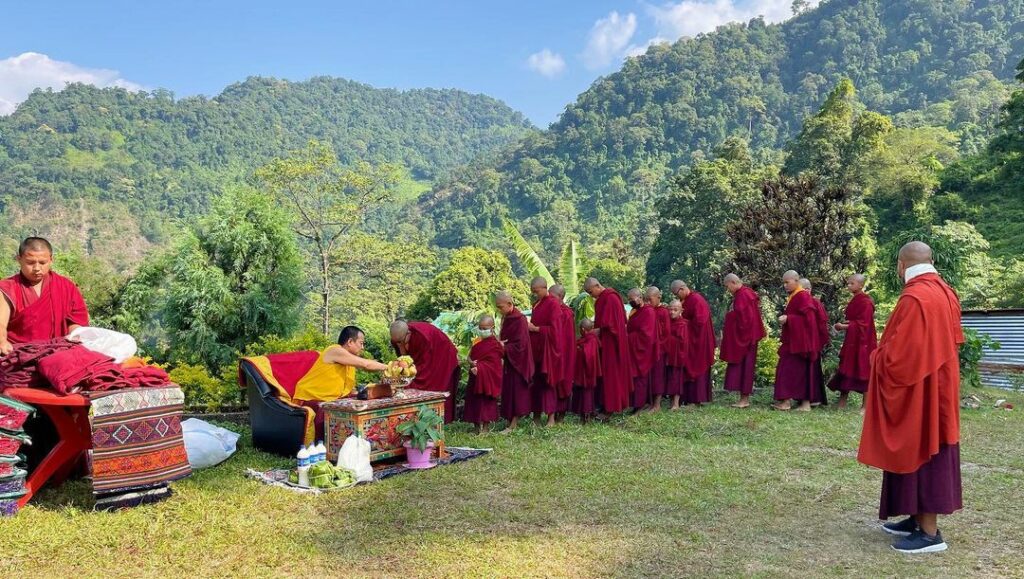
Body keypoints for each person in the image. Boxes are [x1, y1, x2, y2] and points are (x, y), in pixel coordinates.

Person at [859, 242, 964, 554]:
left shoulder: (916, 297)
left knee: (923, 446)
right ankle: (916, 518)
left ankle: (930, 534)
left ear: (901, 266)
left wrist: (877, 357)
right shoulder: (944, 291)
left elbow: (902, 359)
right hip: (936, 384)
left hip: (922, 389)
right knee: (918, 445)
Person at [243, 325, 387, 441]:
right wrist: (389, 367)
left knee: (359, 406)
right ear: (350, 342)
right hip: (309, 398)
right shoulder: (335, 350)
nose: (363, 348)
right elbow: (366, 365)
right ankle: (328, 446)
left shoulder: (348, 362)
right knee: (328, 411)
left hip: (330, 399)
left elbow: (344, 388)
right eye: (361, 343)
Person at [0, 237, 89, 353]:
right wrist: (2, 341)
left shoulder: (65, 286)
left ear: (51, 260)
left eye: (42, 263)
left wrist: (76, 336)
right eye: (30, 262)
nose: (37, 268)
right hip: (20, 352)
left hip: (58, 351)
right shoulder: (8, 287)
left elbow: (75, 321)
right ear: (19, 259)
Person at [390, 319, 461, 423]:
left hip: (442, 353)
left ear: (409, 333)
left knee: (431, 383)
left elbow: (422, 365)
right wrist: (401, 346)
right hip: (426, 355)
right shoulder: (398, 337)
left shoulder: (422, 337)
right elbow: (404, 358)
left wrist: (411, 372)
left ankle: (438, 418)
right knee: (409, 378)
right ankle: (414, 417)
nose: (398, 344)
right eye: (396, 342)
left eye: (401, 341)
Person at [772, 270, 825, 411]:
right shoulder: (795, 296)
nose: (785, 285)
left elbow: (809, 321)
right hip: (797, 341)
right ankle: (804, 404)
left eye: (787, 282)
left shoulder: (802, 296)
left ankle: (787, 402)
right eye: (783, 282)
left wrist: (789, 319)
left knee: (786, 370)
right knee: (800, 372)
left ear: (796, 280)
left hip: (801, 343)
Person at [829, 274, 877, 409]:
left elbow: (864, 324)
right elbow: (855, 320)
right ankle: (842, 402)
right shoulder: (855, 299)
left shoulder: (866, 301)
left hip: (864, 342)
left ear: (861, 285)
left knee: (865, 370)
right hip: (852, 340)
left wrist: (844, 326)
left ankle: (865, 406)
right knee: (846, 368)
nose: (849, 286)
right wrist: (847, 324)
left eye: (852, 283)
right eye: (848, 283)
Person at [584, 277, 630, 415]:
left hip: (612, 341)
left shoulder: (611, 297)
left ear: (598, 286)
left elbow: (613, 323)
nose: (591, 296)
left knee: (611, 374)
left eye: (591, 292)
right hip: (604, 341)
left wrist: (598, 330)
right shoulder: (602, 299)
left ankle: (611, 408)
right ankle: (604, 404)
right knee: (605, 375)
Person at [720, 274, 766, 409]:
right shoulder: (745, 293)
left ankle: (744, 400)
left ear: (733, 282)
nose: (727, 289)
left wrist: (730, 317)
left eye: (727, 286)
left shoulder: (743, 295)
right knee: (745, 366)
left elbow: (745, 320)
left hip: (747, 338)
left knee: (746, 367)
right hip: (749, 336)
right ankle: (743, 398)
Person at [528, 277, 563, 426]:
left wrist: (535, 329)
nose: (535, 295)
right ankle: (536, 416)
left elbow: (556, 330)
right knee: (536, 384)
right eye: (533, 292)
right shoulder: (537, 304)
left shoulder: (553, 304)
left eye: (536, 291)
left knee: (549, 383)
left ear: (544, 288)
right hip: (536, 349)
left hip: (548, 350)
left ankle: (551, 418)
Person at [496, 292, 534, 433]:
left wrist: (504, 347)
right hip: (510, 361)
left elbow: (521, 345)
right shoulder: (507, 318)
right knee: (508, 391)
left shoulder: (519, 319)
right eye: (497, 308)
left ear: (510, 304)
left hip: (519, 362)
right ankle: (509, 420)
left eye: (501, 307)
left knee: (517, 392)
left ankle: (513, 424)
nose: (499, 310)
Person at [673, 281, 715, 407]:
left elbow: (700, 321)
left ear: (682, 289)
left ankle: (696, 399)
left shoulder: (697, 299)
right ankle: (688, 398)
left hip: (700, 341)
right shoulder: (687, 300)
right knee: (688, 366)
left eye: (676, 294)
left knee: (698, 366)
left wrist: (684, 323)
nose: (677, 297)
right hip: (691, 340)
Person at [464, 315, 504, 434]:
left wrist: (480, 367)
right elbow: (469, 357)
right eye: (480, 328)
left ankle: (485, 428)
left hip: (487, 378)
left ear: (492, 328)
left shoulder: (496, 345)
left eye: (485, 328)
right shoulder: (477, 342)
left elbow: (495, 364)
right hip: (475, 377)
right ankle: (476, 426)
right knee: (474, 401)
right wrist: (471, 362)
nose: (482, 331)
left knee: (486, 402)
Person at [626, 288, 657, 412]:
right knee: (634, 378)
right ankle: (634, 404)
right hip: (633, 350)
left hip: (642, 350)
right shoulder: (635, 311)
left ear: (640, 297)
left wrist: (628, 337)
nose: (630, 302)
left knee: (640, 378)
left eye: (632, 299)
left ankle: (640, 405)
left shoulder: (648, 311)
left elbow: (646, 334)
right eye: (629, 300)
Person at [800, 278, 830, 407]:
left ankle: (813, 399)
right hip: (807, 341)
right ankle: (814, 398)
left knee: (811, 369)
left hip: (811, 341)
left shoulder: (814, 303)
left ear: (808, 289)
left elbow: (821, 324)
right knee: (809, 370)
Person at [549, 284, 576, 421]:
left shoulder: (566, 313)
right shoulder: (550, 310)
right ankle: (551, 416)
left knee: (563, 382)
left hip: (563, 353)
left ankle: (560, 415)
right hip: (552, 353)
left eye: (552, 296)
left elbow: (565, 337)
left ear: (560, 297)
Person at [571, 318, 600, 423]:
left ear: (583, 329)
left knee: (587, 393)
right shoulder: (587, 339)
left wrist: (579, 348)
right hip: (584, 371)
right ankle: (584, 414)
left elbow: (589, 354)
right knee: (584, 392)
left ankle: (586, 416)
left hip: (588, 372)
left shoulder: (591, 339)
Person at [647, 286, 671, 412]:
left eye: (650, 299)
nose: (648, 302)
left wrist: (659, 346)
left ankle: (657, 405)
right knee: (650, 376)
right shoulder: (647, 311)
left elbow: (666, 332)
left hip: (659, 349)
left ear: (658, 297)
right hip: (649, 349)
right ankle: (650, 403)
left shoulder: (663, 312)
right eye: (646, 300)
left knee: (658, 376)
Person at [664, 299, 687, 410]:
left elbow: (683, 342)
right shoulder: (667, 322)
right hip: (668, 354)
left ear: (681, 311)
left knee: (676, 378)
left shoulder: (682, 324)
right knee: (669, 377)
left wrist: (668, 339)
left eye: (675, 310)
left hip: (677, 355)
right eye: (670, 309)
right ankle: (671, 401)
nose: (672, 312)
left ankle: (676, 403)